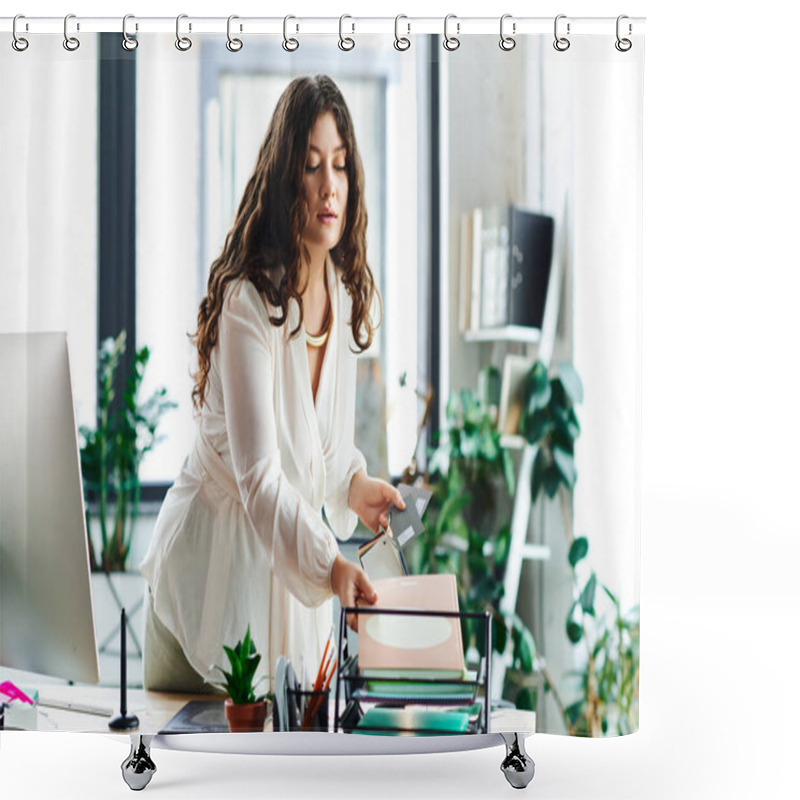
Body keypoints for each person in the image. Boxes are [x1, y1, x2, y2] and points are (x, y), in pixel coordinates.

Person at [140, 75, 404, 694]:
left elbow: (323, 456)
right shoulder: (246, 304)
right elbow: (262, 480)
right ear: (286, 177)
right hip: (207, 600)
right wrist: (330, 563)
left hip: (283, 586)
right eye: (311, 166)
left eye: (340, 165)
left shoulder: (338, 295)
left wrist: (357, 487)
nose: (329, 184)